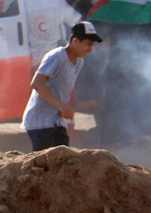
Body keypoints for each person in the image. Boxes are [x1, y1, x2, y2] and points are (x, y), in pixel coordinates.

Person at [87, 0, 151, 146]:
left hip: (120, 53)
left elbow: (93, 14)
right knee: (142, 91)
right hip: (144, 52)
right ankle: (141, 133)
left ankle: (114, 137)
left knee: (116, 92)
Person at [21, 21, 102, 151]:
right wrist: (61, 105)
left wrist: (62, 107)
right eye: (88, 45)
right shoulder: (57, 56)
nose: (90, 50)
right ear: (75, 41)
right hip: (40, 121)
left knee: (63, 160)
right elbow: (37, 83)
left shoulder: (79, 62)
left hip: (57, 121)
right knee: (45, 165)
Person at [23, 0, 81, 72]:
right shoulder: (58, 2)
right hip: (57, 58)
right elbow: (77, 22)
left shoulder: (21, 5)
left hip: (33, 62)